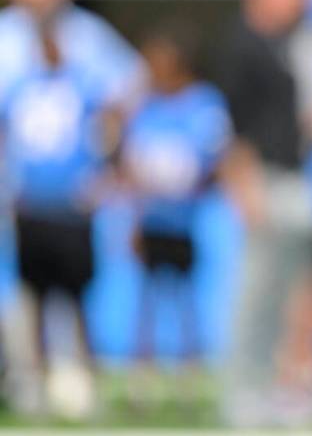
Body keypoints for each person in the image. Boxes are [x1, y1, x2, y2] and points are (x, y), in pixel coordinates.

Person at [0, 0, 142, 417]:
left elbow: (126, 93)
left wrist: (106, 162)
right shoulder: (7, 41)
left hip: (73, 200)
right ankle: (32, 382)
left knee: (78, 297)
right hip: (23, 200)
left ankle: (83, 382)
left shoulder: (87, 40)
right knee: (31, 297)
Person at [214, 0, 312, 427]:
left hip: (294, 179)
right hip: (261, 181)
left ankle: (283, 389)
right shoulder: (241, 43)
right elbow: (228, 127)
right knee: (256, 296)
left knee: (291, 295)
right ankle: (242, 393)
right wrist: (244, 190)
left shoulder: (287, 43)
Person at [119, 20, 231, 381]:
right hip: (152, 218)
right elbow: (131, 162)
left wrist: (188, 181)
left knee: (185, 297)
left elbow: (215, 157)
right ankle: (143, 368)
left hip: (185, 219)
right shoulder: (143, 106)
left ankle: (190, 364)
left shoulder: (203, 103)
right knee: (146, 297)